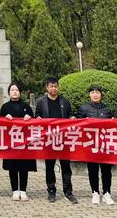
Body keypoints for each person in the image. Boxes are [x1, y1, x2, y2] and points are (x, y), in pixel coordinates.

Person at [35, 76, 78, 204]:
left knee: (66, 167)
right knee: (49, 166)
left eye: (55, 86)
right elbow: (37, 115)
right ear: (47, 87)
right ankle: (51, 190)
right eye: (51, 86)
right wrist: (37, 118)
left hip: (63, 139)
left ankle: (68, 192)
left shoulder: (65, 101)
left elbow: (69, 114)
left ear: (58, 87)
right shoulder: (41, 102)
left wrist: (72, 117)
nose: (53, 88)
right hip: (49, 139)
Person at [77, 85, 114, 205]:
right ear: (89, 95)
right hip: (90, 144)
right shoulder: (84, 109)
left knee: (106, 171)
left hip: (105, 145)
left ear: (101, 95)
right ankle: (95, 192)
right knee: (93, 170)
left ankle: (107, 193)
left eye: (98, 92)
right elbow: (77, 125)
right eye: (93, 92)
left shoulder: (107, 109)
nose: (95, 94)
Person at [0, 82, 36, 201]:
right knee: (13, 167)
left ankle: (23, 190)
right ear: (9, 92)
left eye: (17, 90)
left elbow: (35, 123)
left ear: (20, 92)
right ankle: (15, 190)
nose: (14, 92)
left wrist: (29, 118)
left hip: (24, 142)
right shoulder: (5, 107)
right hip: (11, 142)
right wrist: (5, 119)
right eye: (12, 90)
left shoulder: (26, 106)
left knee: (24, 167)